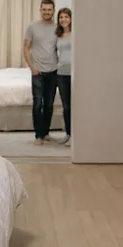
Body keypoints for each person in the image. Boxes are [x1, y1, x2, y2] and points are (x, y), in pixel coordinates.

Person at [24, 0, 59, 144]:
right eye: (44, 9)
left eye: (49, 10)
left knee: (49, 105)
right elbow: (26, 47)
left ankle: (45, 133)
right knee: (38, 103)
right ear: (40, 10)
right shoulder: (32, 27)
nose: (47, 12)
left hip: (53, 71)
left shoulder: (58, 28)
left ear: (53, 11)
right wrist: (32, 67)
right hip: (37, 71)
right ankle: (38, 135)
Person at [56, 8, 72, 146]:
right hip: (61, 73)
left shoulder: (76, 33)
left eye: (66, 17)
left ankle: (75, 135)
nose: (63, 20)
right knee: (66, 106)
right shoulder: (58, 35)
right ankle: (68, 133)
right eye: (61, 17)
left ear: (71, 19)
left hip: (74, 73)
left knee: (75, 106)